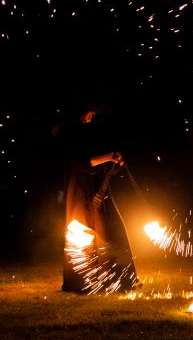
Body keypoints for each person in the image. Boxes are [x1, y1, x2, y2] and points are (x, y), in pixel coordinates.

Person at [54, 105, 138, 294]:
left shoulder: (85, 132)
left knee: (111, 230)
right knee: (85, 236)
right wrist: (108, 157)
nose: (92, 115)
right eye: (87, 111)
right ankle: (82, 282)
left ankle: (119, 280)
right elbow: (82, 162)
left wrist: (111, 159)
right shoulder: (70, 133)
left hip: (97, 190)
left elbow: (93, 158)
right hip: (81, 193)